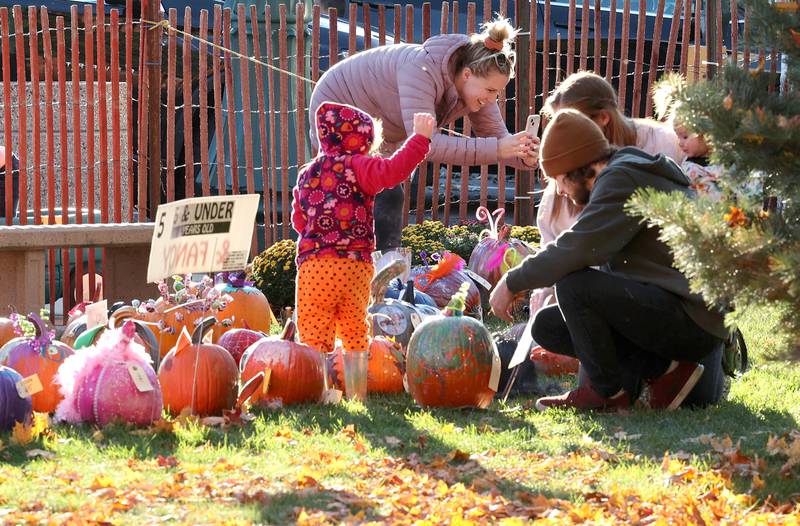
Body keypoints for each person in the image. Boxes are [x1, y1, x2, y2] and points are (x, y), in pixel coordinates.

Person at [489, 109, 727, 411]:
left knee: (574, 286)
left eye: (560, 180)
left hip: (693, 318)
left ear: (577, 168)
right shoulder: (626, 170)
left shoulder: (621, 178)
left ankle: (606, 395)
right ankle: (666, 371)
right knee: (549, 326)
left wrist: (511, 282)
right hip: (682, 311)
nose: (560, 191)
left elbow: (577, 248)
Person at [308, 17, 538, 252]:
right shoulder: (421, 69)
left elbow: (498, 138)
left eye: (497, 92)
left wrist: (522, 154)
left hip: (382, 125)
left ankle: (380, 266)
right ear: (467, 74)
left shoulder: (477, 82)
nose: (493, 99)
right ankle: (359, 263)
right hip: (340, 110)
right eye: (490, 91)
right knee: (365, 196)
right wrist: (499, 148)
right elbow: (428, 143)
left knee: (384, 194)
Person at [529, 71, 684, 315]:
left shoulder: (664, 146)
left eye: (573, 123)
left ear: (603, 118)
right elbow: (556, 237)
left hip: (665, 288)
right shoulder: (571, 171)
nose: (562, 137)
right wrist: (544, 287)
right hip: (603, 293)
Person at [292, 101, 434, 354]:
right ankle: (358, 379)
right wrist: (419, 139)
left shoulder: (307, 173)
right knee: (355, 328)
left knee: (313, 330)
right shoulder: (359, 166)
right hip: (354, 265)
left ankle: (316, 380)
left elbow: (298, 221)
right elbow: (392, 171)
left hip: (314, 267)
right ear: (361, 138)